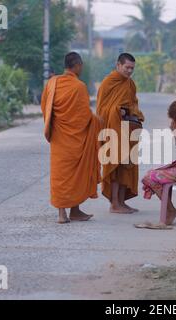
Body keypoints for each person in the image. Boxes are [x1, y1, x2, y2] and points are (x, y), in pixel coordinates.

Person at [41, 52, 102, 224]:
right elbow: (84, 116)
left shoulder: (52, 83)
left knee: (61, 175)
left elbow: (45, 106)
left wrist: (54, 124)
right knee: (77, 174)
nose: (81, 68)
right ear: (77, 65)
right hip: (76, 140)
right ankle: (68, 212)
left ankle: (69, 212)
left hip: (59, 139)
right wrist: (98, 121)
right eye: (81, 65)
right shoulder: (79, 86)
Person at [96, 53, 145, 214]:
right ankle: (114, 204)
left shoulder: (130, 84)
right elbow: (101, 110)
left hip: (128, 130)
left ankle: (122, 202)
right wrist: (118, 111)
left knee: (127, 166)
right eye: (127, 67)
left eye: (132, 68)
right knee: (115, 167)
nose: (130, 71)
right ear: (118, 65)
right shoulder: (108, 83)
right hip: (112, 130)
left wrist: (134, 112)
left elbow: (134, 104)